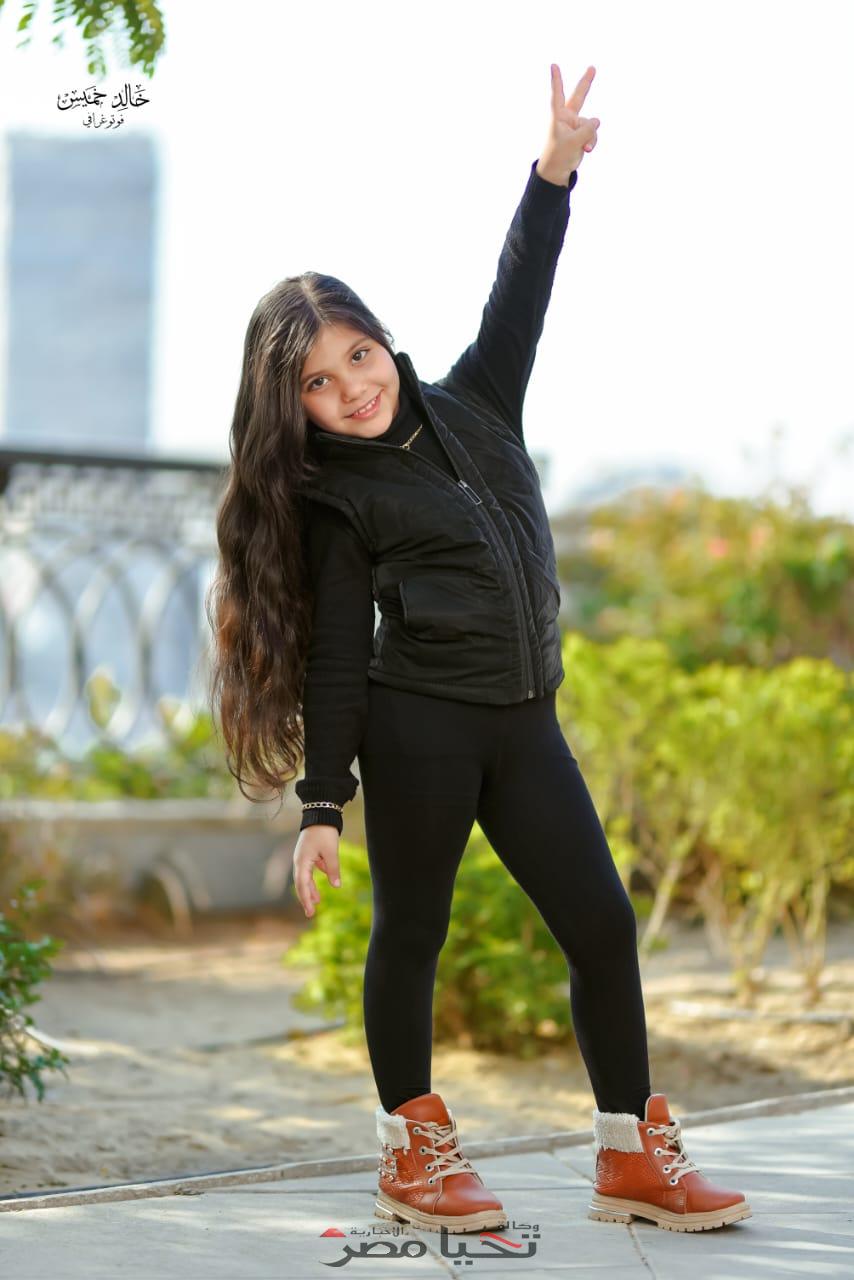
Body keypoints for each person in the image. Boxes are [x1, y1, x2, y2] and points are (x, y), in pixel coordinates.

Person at [207, 63, 751, 1237]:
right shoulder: (336, 499)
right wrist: (320, 803)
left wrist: (552, 171)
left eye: (356, 355)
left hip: (525, 722)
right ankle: (411, 1153)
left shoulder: (478, 400)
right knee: (413, 932)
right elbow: (336, 656)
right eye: (316, 382)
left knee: (601, 923)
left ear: (383, 343)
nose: (349, 389)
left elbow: (521, 287)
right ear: (294, 406)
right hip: (418, 731)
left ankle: (629, 1155)